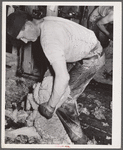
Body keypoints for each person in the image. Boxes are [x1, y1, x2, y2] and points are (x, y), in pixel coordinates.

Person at [7, 10, 105, 144]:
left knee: (65, 98)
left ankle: (80, 140)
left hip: (92, 58)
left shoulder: (49, 40)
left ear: (28, 25)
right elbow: (53, 64)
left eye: (22, 36)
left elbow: (63, 78)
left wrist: (50, 106)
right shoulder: (44, 22)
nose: (24, 41)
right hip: (82, 52)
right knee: (53, 86)